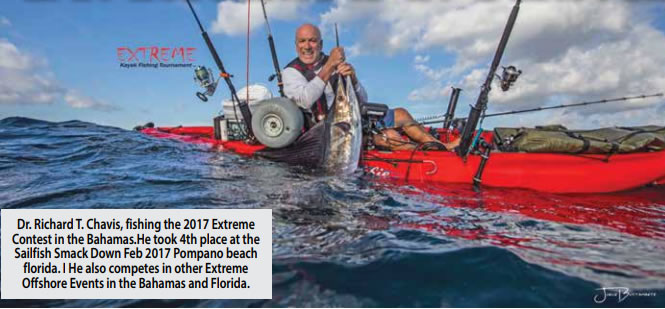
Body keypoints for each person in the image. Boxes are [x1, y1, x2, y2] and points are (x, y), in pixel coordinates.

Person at [282, 23, 459, 151]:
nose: (307, 46)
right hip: (327, 132)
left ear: (320, 44)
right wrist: (329, 67)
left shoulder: (334, 62)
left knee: (401, 114)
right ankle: (428, 156)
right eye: (302, 41)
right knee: (389, 136)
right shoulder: (291, 72)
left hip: (353, 118)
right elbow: (305, 100)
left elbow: (362, 99)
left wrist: (353, 78)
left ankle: (443, 147)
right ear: (296, 45)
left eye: (312, 41)